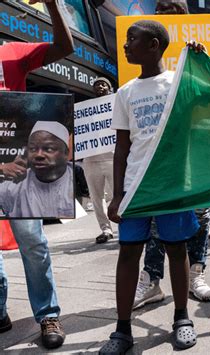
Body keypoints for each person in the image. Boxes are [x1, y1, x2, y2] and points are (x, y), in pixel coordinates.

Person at [99, 21, 205, 353]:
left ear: (154, 44)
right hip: (135, 188)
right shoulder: (125, 92)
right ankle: (122, 330)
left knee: (177, 250)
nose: (126, 45)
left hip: (172, 187)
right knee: (129, 253)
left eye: (132, 39)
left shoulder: (178, 82)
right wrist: (117, 195)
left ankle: (182, 317)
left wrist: (201, 63)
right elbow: (122, 148)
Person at [132, 0, 210, 311]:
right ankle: (151, 280)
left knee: (199, 216)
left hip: (193, 155)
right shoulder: (145, 69)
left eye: (170, 13)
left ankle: (196, 273)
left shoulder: (188, 64)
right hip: (156, 164)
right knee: (156, 222)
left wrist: (202, 61)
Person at [0, 0, 73, 349]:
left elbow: (65, 47)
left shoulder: (13, 53)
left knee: (32, 243)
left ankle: (47, 315)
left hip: (15, 171)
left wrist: (53, 5)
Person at [0, 121, 74, 218]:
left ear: (66, 153)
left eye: (49, 149)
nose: (39, 155)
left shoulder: (79, 177)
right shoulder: (15, 186)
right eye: (33, 149)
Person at [82, 77, 115, 244]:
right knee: (96, 197)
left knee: (119, 194)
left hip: (112, 157)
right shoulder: (86, 110)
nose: (100, 87)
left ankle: (124, 226)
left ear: (110, 88)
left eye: (103, 84)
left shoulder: (117, 105)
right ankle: (105, 229)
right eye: (96, 85)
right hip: (91, 159)